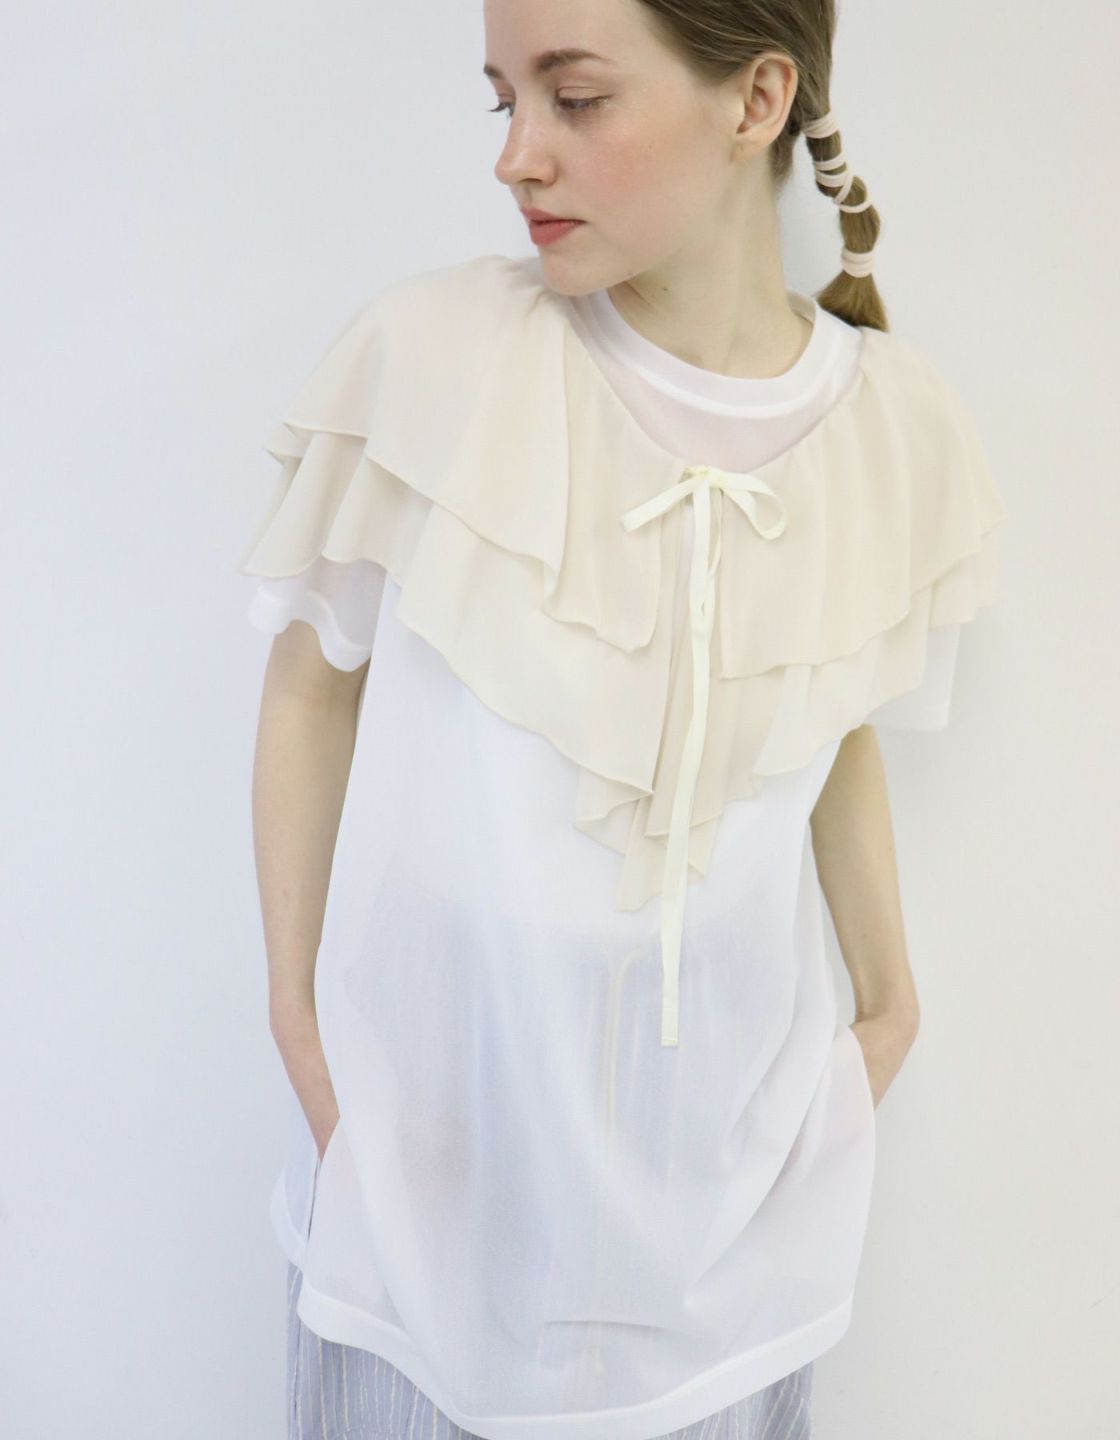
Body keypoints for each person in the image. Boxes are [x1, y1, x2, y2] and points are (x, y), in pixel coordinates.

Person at [240, 1, 1006, 1436]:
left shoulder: (894, 431)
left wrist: (889, 1009)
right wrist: (301, 1027)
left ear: (757, 99)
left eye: (575, 99)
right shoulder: (435, 360)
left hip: (729, 1229)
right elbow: (309, 683)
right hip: (425, 1190)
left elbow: (829, 722)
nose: (517, 157)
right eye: (503, 100)